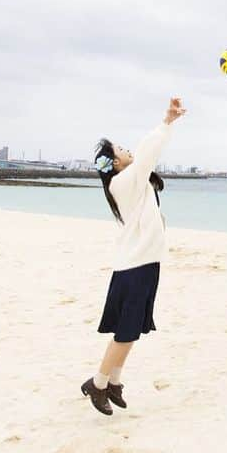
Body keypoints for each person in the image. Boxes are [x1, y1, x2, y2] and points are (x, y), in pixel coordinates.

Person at [82, 97, 187, 415]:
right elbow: (146, 154)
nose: (127, 151)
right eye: (121, 150)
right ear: (114, 163)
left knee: (133, 331)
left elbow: (145, 162)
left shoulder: (132, 182)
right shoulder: (123, 182)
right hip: (135, 267)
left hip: (143, 263)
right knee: (125, 332)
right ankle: (98, 384)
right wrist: (166, 122)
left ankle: (113, 381)